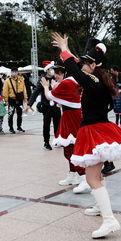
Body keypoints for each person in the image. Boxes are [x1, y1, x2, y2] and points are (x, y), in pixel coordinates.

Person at [52, 33, 121, 238]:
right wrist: (67, 51)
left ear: (93, 65)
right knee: (96, 175)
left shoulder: (91, 81)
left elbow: (72, 67)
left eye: (86, 63)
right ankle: (100, 207)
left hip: (93, 131)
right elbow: (77, 66)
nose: (81, 66)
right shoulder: (99, 80)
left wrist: (64, 48)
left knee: (91, 178)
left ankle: (109, 220)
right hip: (99, 129)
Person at [35, 60, 89, 193]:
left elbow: (48, 97)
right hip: (71, 115)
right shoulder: (72, 81)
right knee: (70, 147)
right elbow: (60, 102)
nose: (56, 75)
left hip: (71, 117)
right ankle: (73, 174)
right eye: (55, 72)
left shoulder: (68, 82)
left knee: (71, 148)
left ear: (66, 72)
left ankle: (83, 177)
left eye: (59, 73)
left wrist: (46, 86)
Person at [28, 64, 61, 150]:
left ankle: (57, 140)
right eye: (51, 69)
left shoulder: (56, 78)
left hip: (56, 105)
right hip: (46, 106)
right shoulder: (42, 80)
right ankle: (46, 142)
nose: (53, 70)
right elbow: (35, 92)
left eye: (53, 69)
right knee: (47, 124)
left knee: (57, 124)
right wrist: (29, 104)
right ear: (47, 70)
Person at [2, 67, 27, 134]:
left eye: (15, 71)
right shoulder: (7, 80)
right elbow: (5, 91)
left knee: (20, 114)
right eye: (13, 71)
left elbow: (24, 89)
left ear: (17, 72)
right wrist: (6, 100)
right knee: (11, 114)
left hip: (19, 99)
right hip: (11, 99)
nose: (14, 73)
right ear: (11, 72)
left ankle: (19, 126)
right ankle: (11, 128)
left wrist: (25, 98)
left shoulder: (21, 79)